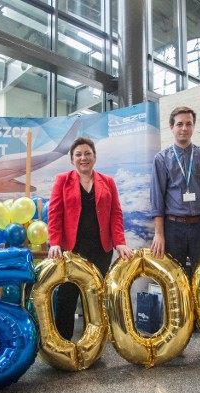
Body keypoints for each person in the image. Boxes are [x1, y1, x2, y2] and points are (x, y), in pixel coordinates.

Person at [150, 106, 200, 361]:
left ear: (193, 127)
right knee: (175, 286)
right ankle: (176, 342)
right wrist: (159, 234)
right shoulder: (162, 159)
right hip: (173, 228)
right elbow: (157, 201)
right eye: (179, 124)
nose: (183, 128)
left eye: (188, 124)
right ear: (172, 127)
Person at [47, 137, 133, 341]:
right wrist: (55, 243)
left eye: (87, 153)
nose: (83, 158)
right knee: (67, 296)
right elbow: (54, 213)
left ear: (94, 157)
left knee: (95, 297)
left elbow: (115, 214)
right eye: (78, 154)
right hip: (71, 248)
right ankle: (64, 344)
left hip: (101, 248)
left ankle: (92, 344)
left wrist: (119, 242)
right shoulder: (62, 180)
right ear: (71, 159)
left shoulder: (108, 182)